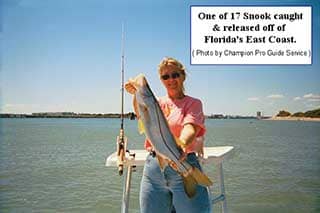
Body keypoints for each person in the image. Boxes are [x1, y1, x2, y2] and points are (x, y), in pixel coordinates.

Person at [125, 57, 211, 213]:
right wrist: (134, 93)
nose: (171, 79)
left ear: (183, 76)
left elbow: (191, 128)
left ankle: (189, 175)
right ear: (161, 80)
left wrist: (183, 143)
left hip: (183, 159)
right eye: (165, 76)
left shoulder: (193, 103)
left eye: (175, 75)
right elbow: (141, 113)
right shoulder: (156, 102)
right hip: (153, 170)